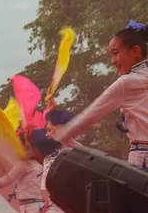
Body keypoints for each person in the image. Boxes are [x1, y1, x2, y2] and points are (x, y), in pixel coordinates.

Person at [52, 21, 148, 170]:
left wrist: (56, 138)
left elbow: (91, 114)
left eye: (116, 53)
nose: (112, 61)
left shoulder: (127, 82)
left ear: (135, 52)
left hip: (142, 159)